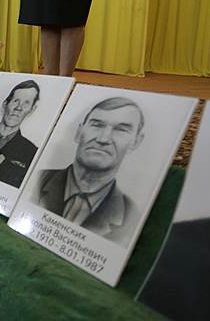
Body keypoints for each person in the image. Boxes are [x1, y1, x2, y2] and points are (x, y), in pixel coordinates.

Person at [33, 97, 144, 246]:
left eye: (121, 130)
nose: (103, 139)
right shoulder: (34, 181)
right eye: (97, 125)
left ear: (135, 142)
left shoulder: (131, 216)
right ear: (79, 132)